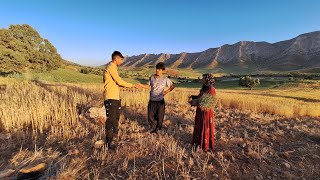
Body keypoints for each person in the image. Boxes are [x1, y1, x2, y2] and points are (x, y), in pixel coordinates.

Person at [103, 51, 140, 150]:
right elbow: (119, 81)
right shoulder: (111, 67)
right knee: (110, 120)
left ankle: (115, 138)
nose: (122, 62)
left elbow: (116, 83)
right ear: (116, 59)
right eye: (121, 59)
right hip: (110, 97)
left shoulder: (113, 68)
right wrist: (132, 85)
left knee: (116, 119)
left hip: (115, 97)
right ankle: (109, 142)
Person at [138, 62, 175, 133]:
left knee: (159, 117)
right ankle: (153, 128)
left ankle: (158, 129)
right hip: (152, 100)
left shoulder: (165, 79)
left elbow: (172, 86)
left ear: (163, 70)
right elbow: (147, 86)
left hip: (160, 101)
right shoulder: (152, 77)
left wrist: (166, 92)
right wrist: (140, 85)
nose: (157, 70)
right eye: (157, 69)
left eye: (159, 69)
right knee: (150, 116)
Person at [189, 73, 217, 152]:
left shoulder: (211, 90)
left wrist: (196, 103)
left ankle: (205, 146)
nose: (202, 80)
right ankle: (197, 143)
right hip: (200, 112)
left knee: (205, 127)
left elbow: (209, 103)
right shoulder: (204, 89)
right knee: (199, 126)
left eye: (203, 78)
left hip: (206, 113)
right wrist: (193, 97)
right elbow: (200, 98)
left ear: (207, 80)